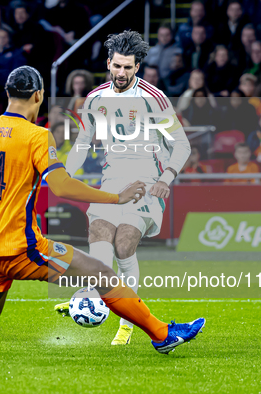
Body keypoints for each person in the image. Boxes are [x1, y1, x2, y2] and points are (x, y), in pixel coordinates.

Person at [0, 64, 205, 360]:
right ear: (39, 95)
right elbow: (63, 187)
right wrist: (117, 197)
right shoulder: (38, 136)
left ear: (7, 93)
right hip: (22, 246)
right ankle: (163, 335)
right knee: (101, 274)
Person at [58, 31, 192, 346]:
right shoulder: (95, 98)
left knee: (124, 245)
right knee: (100, 238)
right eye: (117, 67)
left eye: (128, 68)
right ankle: (92, 297)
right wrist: (63, 173)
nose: (121, 73)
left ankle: (127, 324)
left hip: (148, 181)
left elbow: (182, 145)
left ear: (138, 67)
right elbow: (82, 143)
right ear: (108, 63)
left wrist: (166, 178)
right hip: (112, 182)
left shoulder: (154, 98)